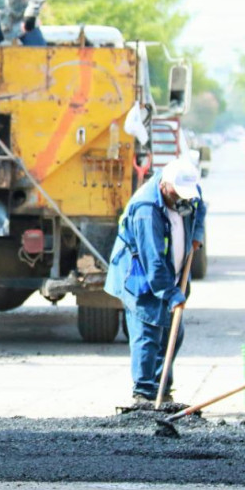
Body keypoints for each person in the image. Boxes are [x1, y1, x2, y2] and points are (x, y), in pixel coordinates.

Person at [105, 159, 207, 404]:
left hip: (170, 273)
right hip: (140, 275)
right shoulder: (146, 210)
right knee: (148, 332)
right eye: (177, 195)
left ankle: (162, 389)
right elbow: (153, 260)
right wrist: (170, 293)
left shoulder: (186, 189)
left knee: (174, 332)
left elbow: (199, 208)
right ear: (164, 186)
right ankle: (143, 393)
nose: (183, 199)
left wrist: (196, 234)